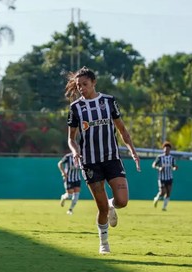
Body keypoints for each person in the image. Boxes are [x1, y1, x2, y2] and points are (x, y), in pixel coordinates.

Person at [65, 66, 140, 254]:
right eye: (78, 85)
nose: (81, 88)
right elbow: (71, 138)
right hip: (90, 162)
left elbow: (122, 129)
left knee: (122, 201)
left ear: (93, 82)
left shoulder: (109, 101)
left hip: (112, 158)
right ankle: (104, 244)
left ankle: (112, 204)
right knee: (101, 208)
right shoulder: (75, 108)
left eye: (85, 84)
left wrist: (132, 150)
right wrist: (75, 151)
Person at [152, 142, 178, 211]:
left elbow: (173, 166)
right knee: (162, 192)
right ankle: (156, 198)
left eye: (168, 149)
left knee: (168, 192)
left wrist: (175, 168)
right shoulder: (160, 157)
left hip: (169, 177)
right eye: (165, 149)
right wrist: (159, 168)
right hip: (161, 178)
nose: (167, 150)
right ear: (163, 149)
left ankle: (164, 207)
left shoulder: (172, 158)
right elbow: (153, 165)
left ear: (170, 150)